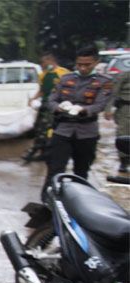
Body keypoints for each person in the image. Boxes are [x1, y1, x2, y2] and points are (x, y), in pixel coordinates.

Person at [43, 44, 113, 198]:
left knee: (81, 172)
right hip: (63, 130)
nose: (82, 68)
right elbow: (51, 100)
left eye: (87, 65)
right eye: (79, 64)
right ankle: (48, 203)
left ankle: (79, 203)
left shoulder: (104, 81)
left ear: (96, 62)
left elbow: (100, 104)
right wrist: (59, 108)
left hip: (86, 132)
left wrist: (84, 110)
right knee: (55, 169)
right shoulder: (66, 78)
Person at [24, 52, 70, 161]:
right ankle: (42, 152)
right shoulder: (43, 74)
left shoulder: (63, 73)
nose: (42, 64)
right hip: (45, 105)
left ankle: (47, 152)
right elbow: (42, 91)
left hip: (57, 106)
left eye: (43, 62)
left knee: (48, 129)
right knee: (39, 128)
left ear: (50, 60)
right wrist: (33, 99)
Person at [106, 68, 129, 173]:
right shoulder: (125, 75)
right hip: (126, 108)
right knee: (123, 134)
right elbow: (113, 93)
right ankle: (124, 161)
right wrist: (108, 109)